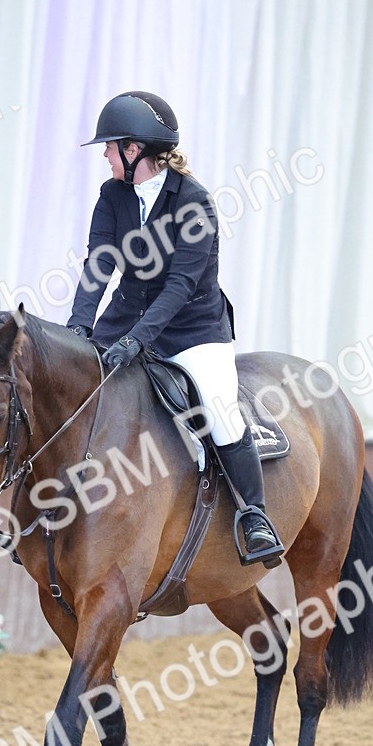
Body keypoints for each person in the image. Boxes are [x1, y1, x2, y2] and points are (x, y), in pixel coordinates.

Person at [67, 90, 284, 568]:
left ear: (134, 150)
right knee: (73, 387)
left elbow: (180, 287)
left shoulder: (195, 204)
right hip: (125, 318)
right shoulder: (112, 195)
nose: (104, 155)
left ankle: (254, 515)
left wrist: (136, 342)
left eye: (110, 146)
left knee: (221, 409)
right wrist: (80, 327)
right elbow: (99, 263)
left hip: (192, 327)